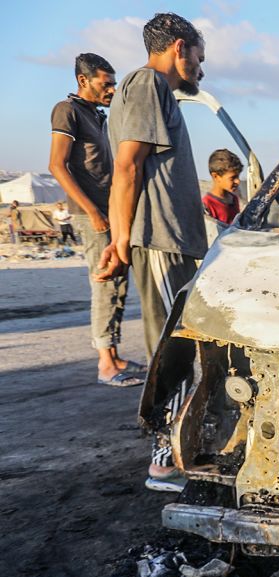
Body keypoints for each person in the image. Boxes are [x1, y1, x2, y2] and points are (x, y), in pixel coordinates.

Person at [96, 11, 209, 492]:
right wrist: (119, 243)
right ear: (179, 47)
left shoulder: (151, 90)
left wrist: (118, 240)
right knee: (173, 349)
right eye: (199, 58)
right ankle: (165, 461)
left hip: (170, 238)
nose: (201, 70)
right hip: (160, 237)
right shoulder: (147, 84)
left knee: (183, 344)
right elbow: (126, 169)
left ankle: (183, 448)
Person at [49, 52, 142, 387]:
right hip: (92, 215)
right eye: (106, 83)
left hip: (108, 211)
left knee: (118, 281)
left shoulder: (96, 115)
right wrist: (92, 212)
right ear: (83, 80)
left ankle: (114, 354)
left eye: (114, 83)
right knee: (103, 283)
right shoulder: (68, 110)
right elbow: (57, 165)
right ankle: (105, 364)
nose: (113, 90)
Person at [202, 148, 242, 225]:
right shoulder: (207, 205)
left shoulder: (234, 199)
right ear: (216, 176)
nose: (238, 181)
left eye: (238, 177)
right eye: (233, 178)